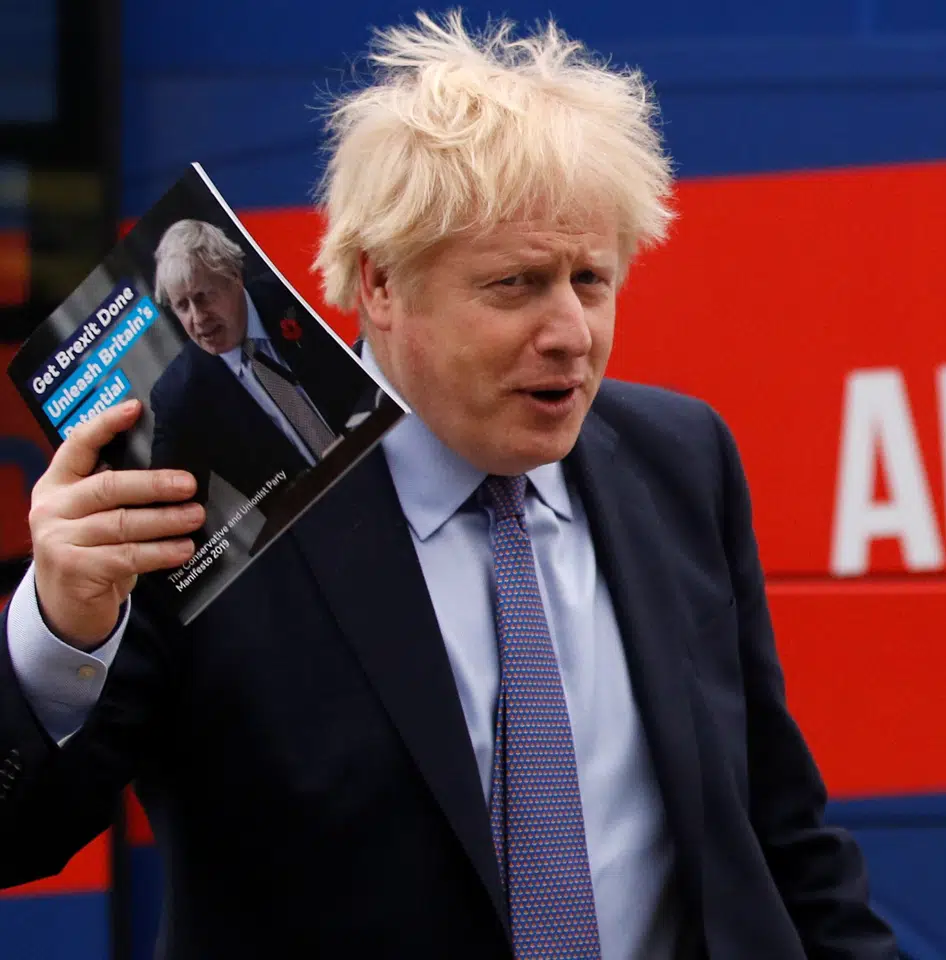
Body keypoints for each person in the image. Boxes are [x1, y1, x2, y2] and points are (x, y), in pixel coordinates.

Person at [0, 13, 900, 960]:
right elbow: (18, 836)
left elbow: (780, 833)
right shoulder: (193, 497)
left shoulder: (681, 457)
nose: (572, 334)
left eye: (591, 280)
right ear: (382, 286)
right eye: (516, 284)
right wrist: (61, 629)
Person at [148, 218, 373, 505]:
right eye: (182, 306)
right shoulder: (179, 396)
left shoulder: (294, 290)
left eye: (203, 297)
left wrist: (356, 434)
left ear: (234, 276)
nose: (198, 318)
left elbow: (375, 364)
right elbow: (164, 504)